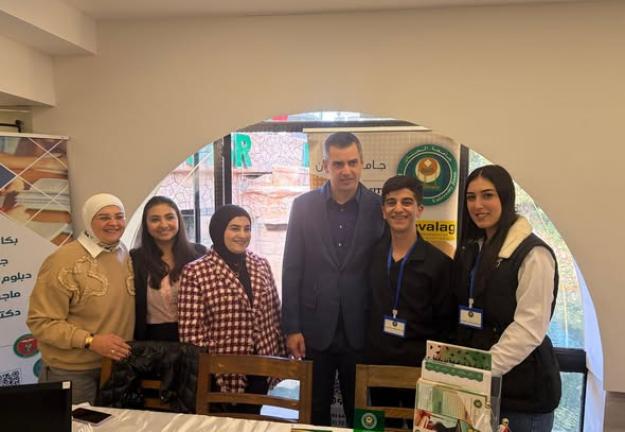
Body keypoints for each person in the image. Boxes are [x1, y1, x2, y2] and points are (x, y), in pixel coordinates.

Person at [282, 132, 385, 426]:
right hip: (314, 330)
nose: (346, 170)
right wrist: (292, 327)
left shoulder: (378, 208)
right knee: (314, 410)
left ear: (362, 163)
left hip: (362, 329)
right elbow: (292, 268)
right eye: (338, 164)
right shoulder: (303, 206)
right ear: (326, 166)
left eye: (352, 162)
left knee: (364, 414)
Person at [454, 165, 561, 432]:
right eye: (471, 197)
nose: (478, 205)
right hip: (479, 386)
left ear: (505, 197)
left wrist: (482, 370)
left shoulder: (534, 254)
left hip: (522, 394)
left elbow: (529, 328)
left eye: (487, 195)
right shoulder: (472, 248)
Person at [27, 193, 135, 404]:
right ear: (88, 221)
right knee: (73, 422)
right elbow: (40, 322)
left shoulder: (123, 252)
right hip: (73, 372)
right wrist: (90, 341)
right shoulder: (62, 260)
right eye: (104, 217)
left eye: (119, 216)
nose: (114, 223)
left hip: (115, 367)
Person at [365, 175, 454, 427]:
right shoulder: (371, 256)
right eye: (391, 202)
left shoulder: (439, 264)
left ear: (419, 209)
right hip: (379, 367)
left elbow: (446, 326)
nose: (398, 209)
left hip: (421, 371)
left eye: (407, 202)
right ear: (383, 211)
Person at [178, 204, 284, 414]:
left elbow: (275, 311)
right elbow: (191, 333)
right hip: (220, 372)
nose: (242, 235)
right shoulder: (195, 271)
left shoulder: (260, 264)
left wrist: (281, 355)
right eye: (235, 228)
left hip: (262, 363)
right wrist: (212, 369)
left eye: (247, 229)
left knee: (253, 421)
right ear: (219, 231)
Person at [131, 196, 206, 341]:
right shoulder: (135, 259)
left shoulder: (199, 253)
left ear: (178, 220)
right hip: (151, 342)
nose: (163, 224)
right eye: (155, 219)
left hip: (195, 338)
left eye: (169, 217)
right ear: (146, 224)